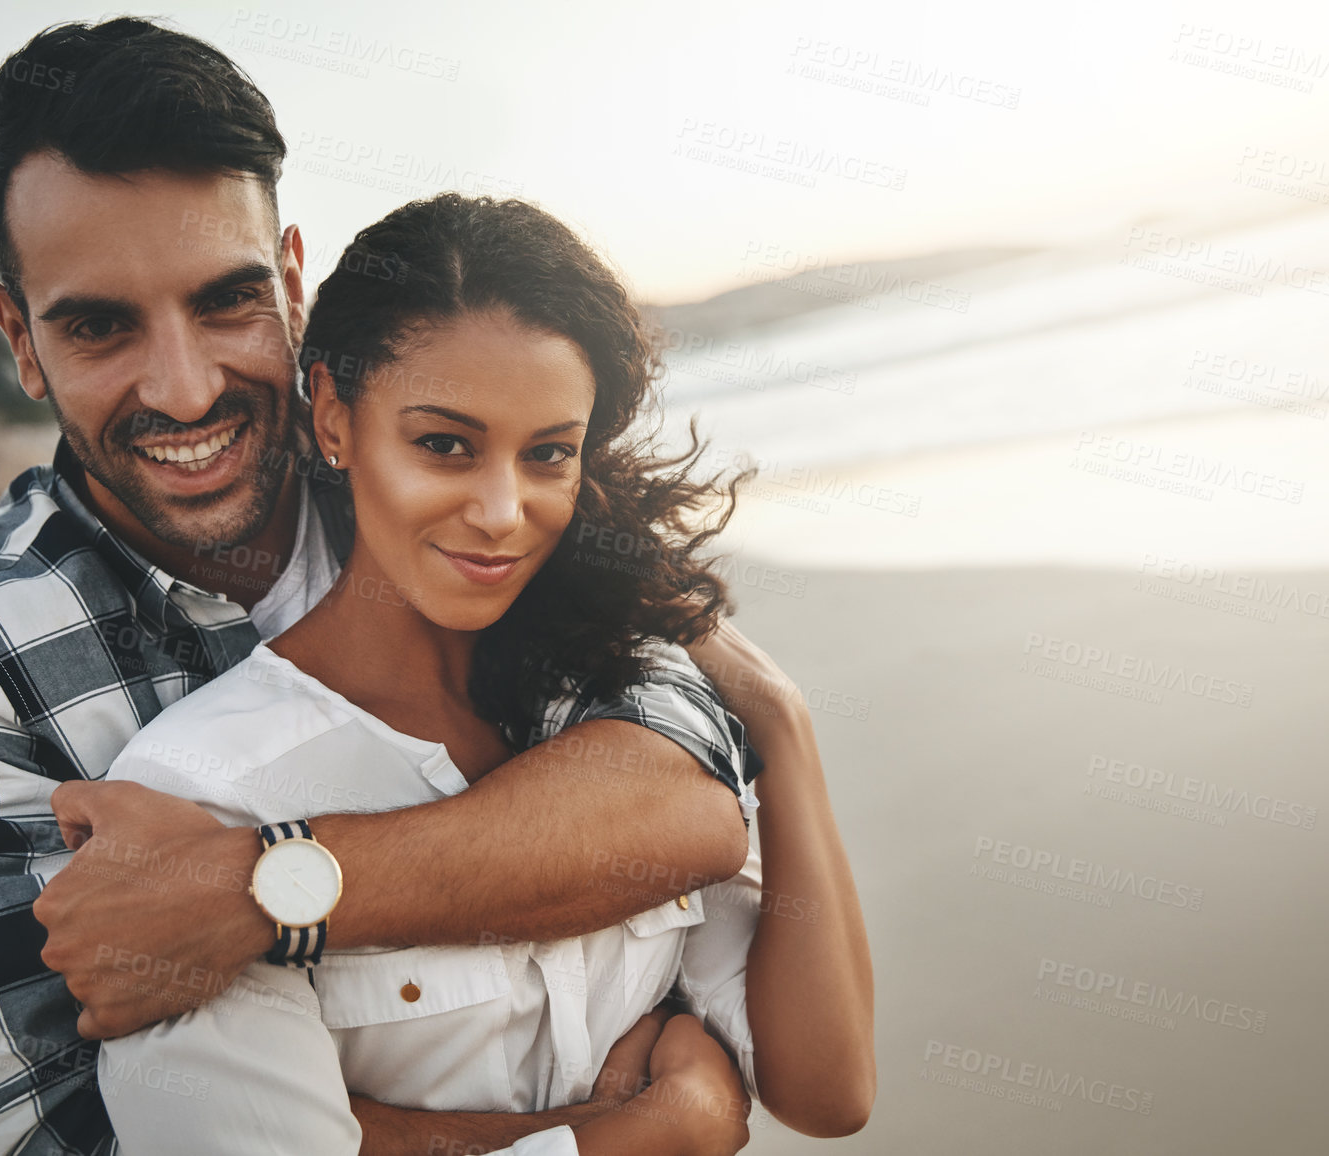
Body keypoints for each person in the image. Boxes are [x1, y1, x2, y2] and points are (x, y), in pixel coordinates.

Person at [0, 19, 801, 1155]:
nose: (186, 385)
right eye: (100, 325)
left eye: (226, 301)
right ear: (18, 333)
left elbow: (681, 802)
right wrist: (643, 1132)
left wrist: (257, 892)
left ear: (293, 281)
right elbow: (58, 1127)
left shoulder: (435, 463)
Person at [92, 193, 875, 1155]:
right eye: (445, 445)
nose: (503, 511)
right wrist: (662, 1131)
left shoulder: (614, 708)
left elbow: (825, 1088)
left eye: (547, 454)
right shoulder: (197, 792)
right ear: (334, 415)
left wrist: (783, 731)